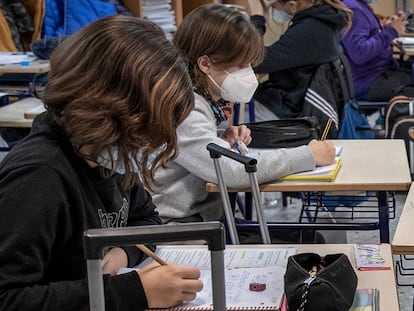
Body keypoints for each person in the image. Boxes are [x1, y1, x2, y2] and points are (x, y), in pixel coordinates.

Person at [0, 15, 203, 311]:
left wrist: (122, 253)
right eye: (144, 127)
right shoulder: (39, 177)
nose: (152, 142)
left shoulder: (107, 155)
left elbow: (146, 221)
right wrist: (134, 292)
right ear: (105, 111)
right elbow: (8, 299)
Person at [151, 4, 336, 243]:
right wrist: (307, 156)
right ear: (205, 63)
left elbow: (192, 149)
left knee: (310, 239)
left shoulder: (199, 99)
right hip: (182, 231)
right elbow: (231, 172)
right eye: (239, 66)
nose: (247, 74)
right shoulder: (185, 106)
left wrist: (219, 137)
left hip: (205, 221)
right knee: (308, 243)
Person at [246, 0, 352, 122]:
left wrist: (257, 19)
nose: (272, 9)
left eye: (274, 6)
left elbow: (255, 61)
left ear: (292, 6)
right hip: (291, 103)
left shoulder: (311, 29)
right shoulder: (325, 20)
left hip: (286, 111)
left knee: (226, 124)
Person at [341, 0, 411, 102]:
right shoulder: (355, 9)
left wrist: (388, 27)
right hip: (368, 81)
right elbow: (359, 53)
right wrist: (391, 31)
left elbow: (368, 35)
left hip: (373, 73)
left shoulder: (359, 6)